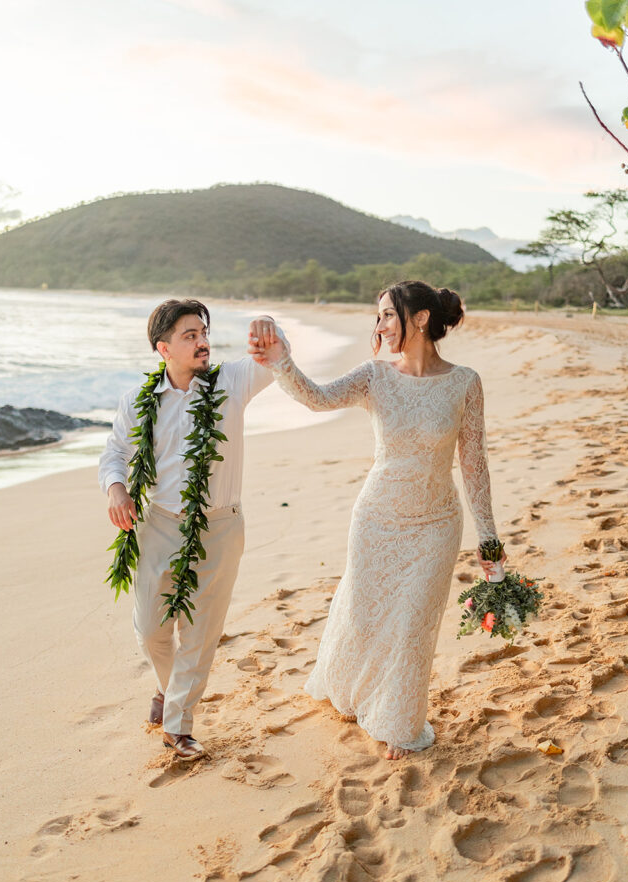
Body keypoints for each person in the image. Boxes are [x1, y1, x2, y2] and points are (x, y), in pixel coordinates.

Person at [248, 281, 505, 760]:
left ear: (421, 318)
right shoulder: (375, 377)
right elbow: (318, 397)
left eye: (389, 315)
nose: (381, 326)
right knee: (364, 615)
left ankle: (396, 721)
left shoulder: (465, 382)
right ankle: (359, 695)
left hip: (436, 525)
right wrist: (282, 358)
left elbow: (474, 464)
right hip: (376, 519)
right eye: (379, 317)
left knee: (412, 626)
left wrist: (489, 538)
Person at [99, 299, 273, 761]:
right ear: (163, 349)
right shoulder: (139, 401)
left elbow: (274, 359)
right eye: (189, 335)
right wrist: (117, 490)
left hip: (220, 526)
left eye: (203, 332)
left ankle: (178, 726)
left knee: (198, 632)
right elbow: (114, 452)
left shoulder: (231, 382)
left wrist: (268, 327)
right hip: (158, 523)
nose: (202, 342)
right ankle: (167, 689)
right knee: (151, 629)